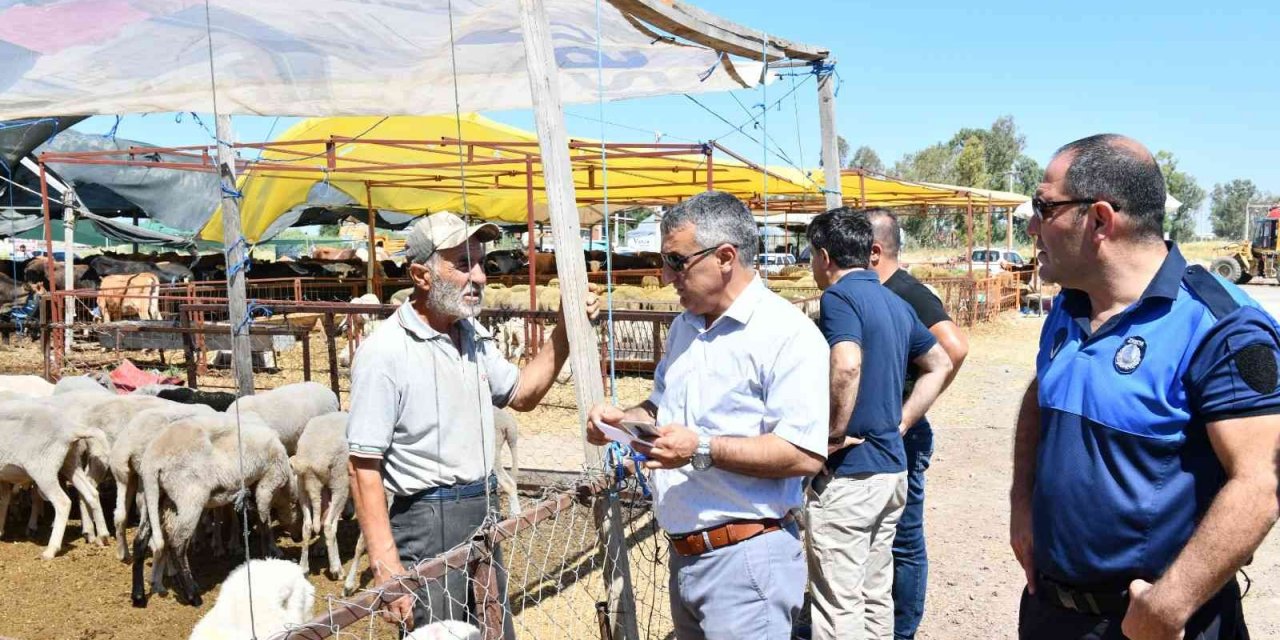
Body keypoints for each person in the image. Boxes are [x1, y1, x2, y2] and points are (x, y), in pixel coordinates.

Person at [1011, 134, 1280, 640]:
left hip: (1153, 625)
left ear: (1099, 220)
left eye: (1044, 207)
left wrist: (1167, 607)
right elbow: (1041, 392)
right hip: (1051, 611)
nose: (1031, 226)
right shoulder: (1071, 305)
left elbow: (1261, 484)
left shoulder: (1220, 326)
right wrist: (1020, 504)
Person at [584, 190, 829, 640]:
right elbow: (659, 407)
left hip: (746, 561)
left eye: (676, 261)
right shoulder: (686, 327)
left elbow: (803, 454)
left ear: (725, 257)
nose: (663, 276)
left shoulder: (787, 335)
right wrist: (619, 421)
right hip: (687, 555)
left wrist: (701, 448)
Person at [347, 211, 598, 633]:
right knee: (442, 632)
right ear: (420, 275)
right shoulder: (386, 352)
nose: (480, 276)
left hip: (483, 510)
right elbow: (362, 466)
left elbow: (522, 394)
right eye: (463, 264)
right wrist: (387, 569)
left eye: (480, 263)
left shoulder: (472, 336)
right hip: (427, 521)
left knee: (493, 629)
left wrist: (565, 331)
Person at [805, 208, 953, 640]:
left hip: (851, 474)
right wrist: (902, 421)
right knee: (874, 595)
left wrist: (831, 437)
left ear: (825, 256)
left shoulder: (839, 298)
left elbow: (847, 364)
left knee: (838, 606)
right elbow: (939, 362)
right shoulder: (895, 301)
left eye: (811, 256)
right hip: (891, 472)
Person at [862, 208, 969, 640]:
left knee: (904, 541)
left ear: (874, 251)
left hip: (901, 434)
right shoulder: (874, 292)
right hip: (883, 432)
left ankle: (902, 629)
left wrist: (910, 413)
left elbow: (955, 349)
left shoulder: (905, 291)